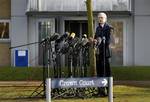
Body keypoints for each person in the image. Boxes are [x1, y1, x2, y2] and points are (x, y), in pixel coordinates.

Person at [94, 12, 114, 96]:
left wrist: (99, 42)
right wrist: (94, 42)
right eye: (99, 17)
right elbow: (96, 38)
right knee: (100, 73)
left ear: (105, 19)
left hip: (105, 54)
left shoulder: (109, 28)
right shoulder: (97, 28)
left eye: (102, 17)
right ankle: (101, 92)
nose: (100, 19)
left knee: (107, 73)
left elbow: (108, 41)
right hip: (99, 54)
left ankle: (109, 92)